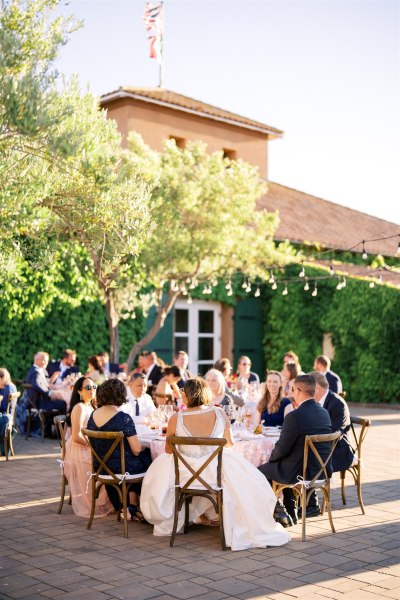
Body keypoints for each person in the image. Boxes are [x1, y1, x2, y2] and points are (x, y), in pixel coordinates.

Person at [140, 377, 291, 551]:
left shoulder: (176, 418)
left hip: (186, 475)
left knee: (160, 467)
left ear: (187, 396)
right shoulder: (219, 413)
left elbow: (168, 450)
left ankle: (185, 515)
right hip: (214, 473)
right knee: (241, 474)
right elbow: (229, 444)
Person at [258, 374, 332, 526]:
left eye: (292, 388)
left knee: (260, 471)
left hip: (301, 473)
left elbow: (281, 449)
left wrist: (271, 460)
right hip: (321, 470)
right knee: (281, 465)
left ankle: (281, 513)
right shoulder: (324, 412)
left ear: (297, 390)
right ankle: (291, 512)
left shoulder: (294, 416)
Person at [86, 378, 152, 521]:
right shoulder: (123, 418)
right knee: (146, 457)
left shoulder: (93, 415)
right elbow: (136, 449)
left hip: (101, 469)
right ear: (121, 395)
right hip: (122, 470)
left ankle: (123, 508)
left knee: (129, 460)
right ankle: (135, 507)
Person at [64, 377, 113, 518]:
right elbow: (76, 436)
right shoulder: (79, 408)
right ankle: (101, 502)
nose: (92, 390)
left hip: (89, 445)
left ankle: (107, 501)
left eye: (94, 387)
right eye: (88, 388)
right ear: (79, 391)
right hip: (79, 447)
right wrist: (93, 445)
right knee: (105, 464)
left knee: (112, 460)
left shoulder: (92, 406)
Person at [311, 371, 354, 472]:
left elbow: (335, 433)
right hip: (321, 444)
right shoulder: (315, 401)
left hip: (339, 449)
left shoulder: (337, 404)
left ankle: (310, 485)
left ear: (317, 387)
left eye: (308, 388)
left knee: (301, 457)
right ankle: (300, 486)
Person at [25, 352, 67, 435]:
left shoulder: (34, 370)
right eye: (44, 360)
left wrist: (50, 391)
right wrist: (49, 393)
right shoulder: (36, 371)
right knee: (63, 404)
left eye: (47, 361)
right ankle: (59, 433)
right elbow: (36, 385)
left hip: (38, 401)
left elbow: (41, 385)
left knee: (58, 401)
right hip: (39, 403)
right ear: (37, 360)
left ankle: (50, 430)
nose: (46, 363)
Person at [0, 368, 17, 455]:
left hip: (6, 416)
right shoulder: (5, 386)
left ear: (2, 378)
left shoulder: (8, 388)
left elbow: (4, 408)